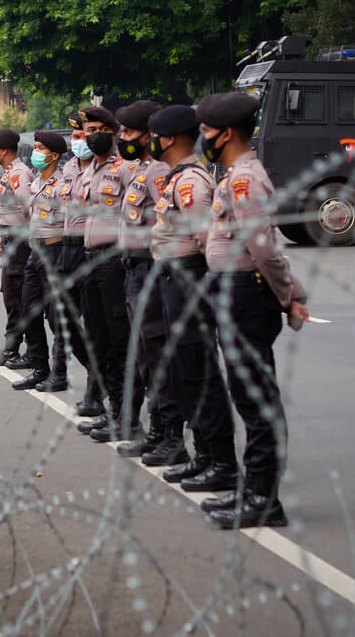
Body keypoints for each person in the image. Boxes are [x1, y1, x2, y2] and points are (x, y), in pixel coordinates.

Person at [196, 92, 309, 529]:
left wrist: (288, 296)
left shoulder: (245, 180)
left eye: (206, 130)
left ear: (225, 133)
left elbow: (263, 247)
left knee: (257, 399)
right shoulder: (234, 175)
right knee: (247, 397)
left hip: (246, 293)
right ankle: (254, 490)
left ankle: (265, 499)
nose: (203, 137)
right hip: (234, 290)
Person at [144, 105, 215, 472]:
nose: (150, 142)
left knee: (195, 369)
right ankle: (204, 457)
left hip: (188, 277)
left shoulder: (190, 182)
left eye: (154, 135)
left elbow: (207, 241)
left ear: (168, 139)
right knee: (182, 369)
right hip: (172, 275)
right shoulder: (177, 178)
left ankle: (211, 458)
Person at [111, 100, 170, 457]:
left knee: (155, 353)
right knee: (144, 354)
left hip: (151, 267)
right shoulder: (139, 168)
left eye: (129, 133)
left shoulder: (158, 172)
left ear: (149, 135)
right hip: (133, 267)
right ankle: (158, 431)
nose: (123, 138)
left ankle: (167, 434)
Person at [78, 105, 140, 442]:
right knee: (99, 339)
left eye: (99, 129)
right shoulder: (90, 170)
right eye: (88, 131)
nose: (92, 135)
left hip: (115, 261)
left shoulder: (125, 169)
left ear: (114, 132)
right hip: (91, 261)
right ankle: (113, 411)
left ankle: (128, 418)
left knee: (120, 341)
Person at [11, 130, 83, 392]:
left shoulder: (62, 184)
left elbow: (69, 223)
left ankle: (60, 373)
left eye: (40, 148)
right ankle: (40, 368)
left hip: (54, 252)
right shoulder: (36, 182)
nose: (36, 152)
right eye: (36, 147)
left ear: (53, 155)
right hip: (35, 252)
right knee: (28, 311)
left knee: (57, 316)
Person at [55, 113, 104, 414]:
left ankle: (97, 392)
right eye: (75, 136)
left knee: (99, 326)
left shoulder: (105, 169)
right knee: (62, 321)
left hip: (93, 250)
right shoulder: (69, 168)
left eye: (84, 136)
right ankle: (100, 374)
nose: (79, 141)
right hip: (67, 249)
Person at [0, 129, 35, 367]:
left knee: (16, 296)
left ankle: (13, 348)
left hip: (19, 239)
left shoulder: (19, 174)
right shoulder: (9, 173)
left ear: (3, 150)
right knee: (11, 294)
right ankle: (13, 347)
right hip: (10, 238)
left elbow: (27, 207)